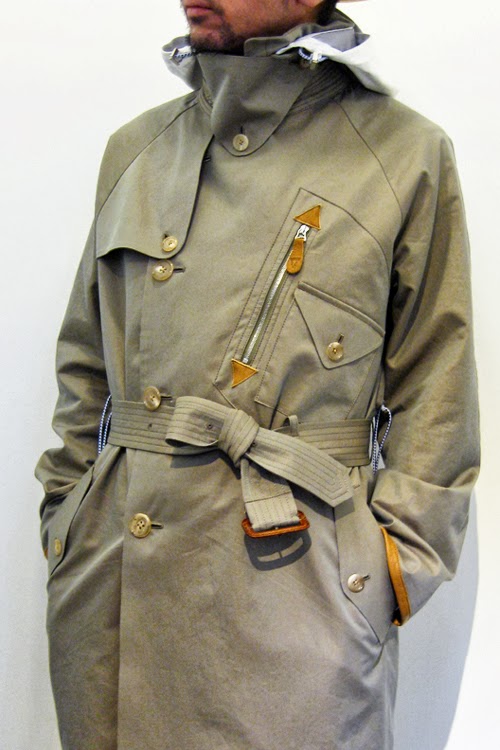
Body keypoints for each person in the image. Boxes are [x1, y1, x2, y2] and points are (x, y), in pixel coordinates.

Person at [36, 1, 480, 748]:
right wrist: (67, 517)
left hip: (300, 599)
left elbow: (438, 388)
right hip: (113, 594)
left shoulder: (402, 154)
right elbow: (85, 367)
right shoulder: (137, 150)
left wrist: (389, 572)